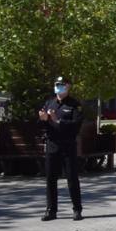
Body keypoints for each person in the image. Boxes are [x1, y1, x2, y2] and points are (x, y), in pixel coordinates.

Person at [38, 76, 84, 221]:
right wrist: (44, 120)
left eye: (62, 85)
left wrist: (57, 121)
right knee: (51, 178)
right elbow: (41, 125)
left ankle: (77, 209)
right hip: (52, 145)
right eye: (57, 84)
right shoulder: (49, 103)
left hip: (68, 145)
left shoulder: (74, 105)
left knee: (71, 178)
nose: (59, 87)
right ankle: (51, 210)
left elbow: (75, 126)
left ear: (68, 86)